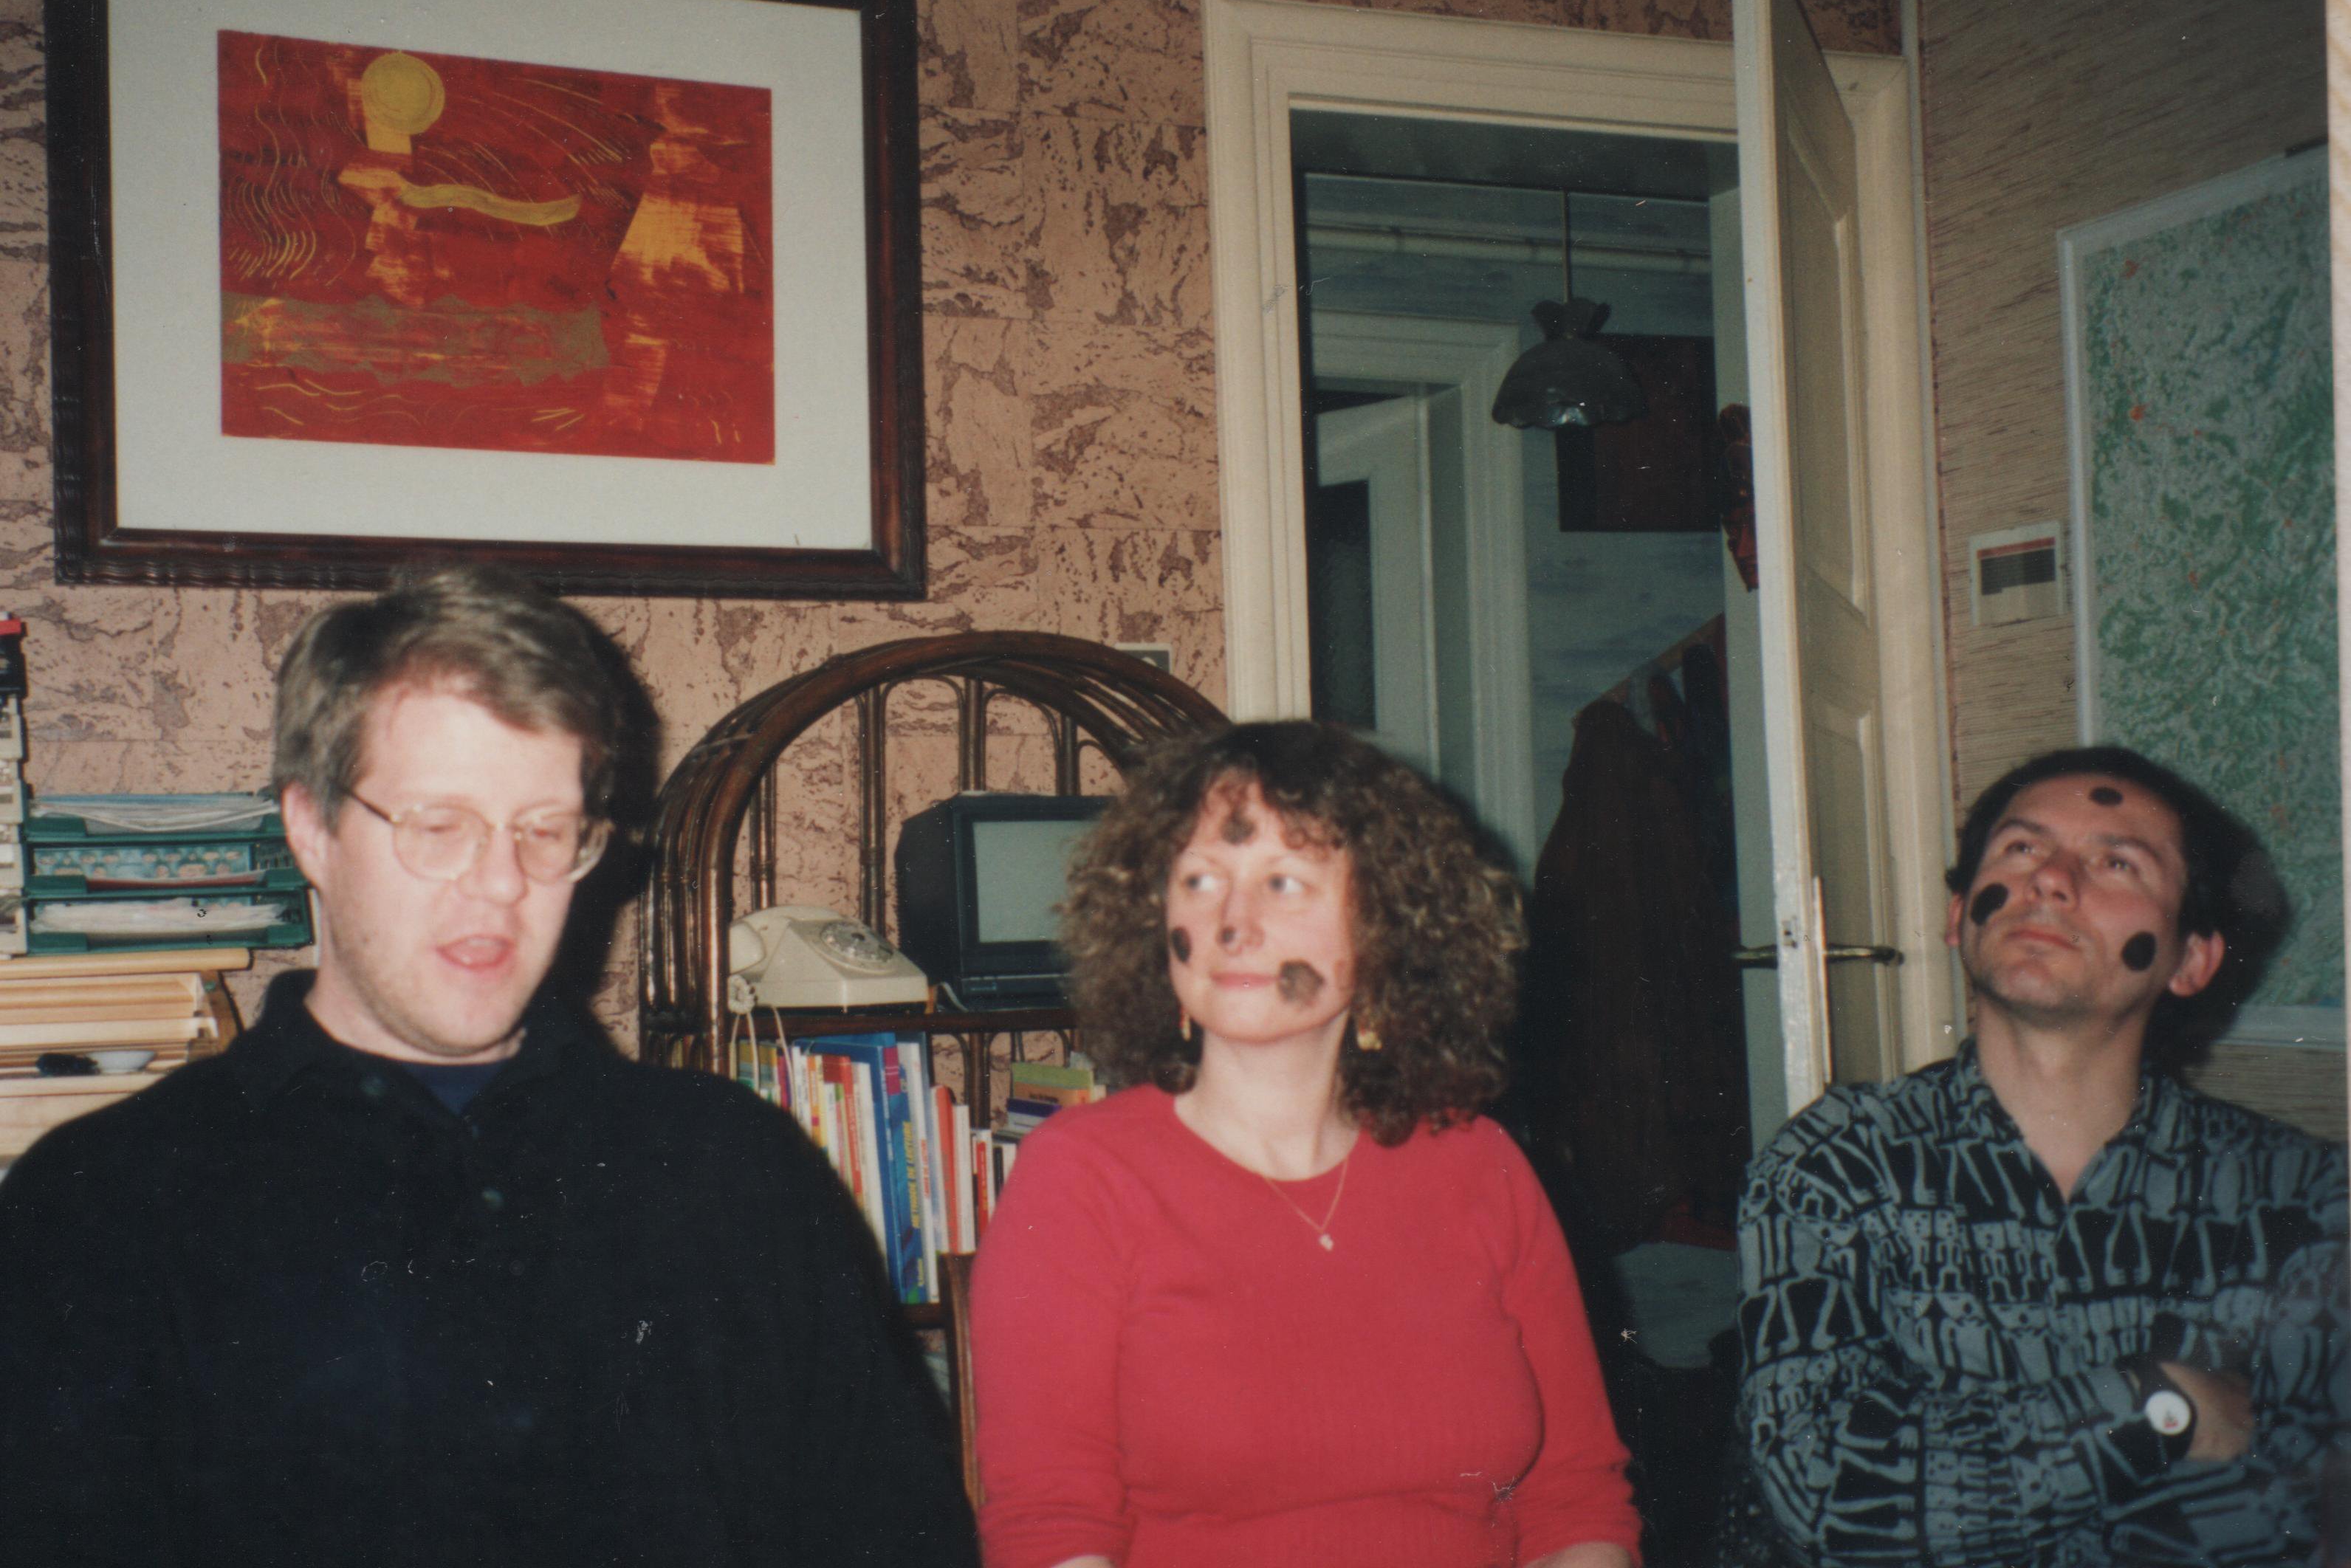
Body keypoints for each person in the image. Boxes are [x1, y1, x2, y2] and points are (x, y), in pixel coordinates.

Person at [0, 565, 977, 1568]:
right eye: (440, 826)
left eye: (545, 832)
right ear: (311, 829)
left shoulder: (737, 1171)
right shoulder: (101, 1207)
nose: (502, 883)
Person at [970, 720, 1641, 1568]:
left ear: (1385, 925)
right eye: (1200, 879)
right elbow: (1050, 1527)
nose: (1232, 921)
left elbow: (1574, 1500)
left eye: (1284, 882)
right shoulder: (1081, 1177)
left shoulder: (1480, 1164)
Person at [1737, 745, 2347, 1567]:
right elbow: (1830, 1495)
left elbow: (2312, 1512)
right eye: (2021, 847)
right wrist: (2164, 1408)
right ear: (1959, 915)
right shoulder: (1835, 1166)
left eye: (2117, 862)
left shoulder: (2301, 1194)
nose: (2051, 879)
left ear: (2190, 959)